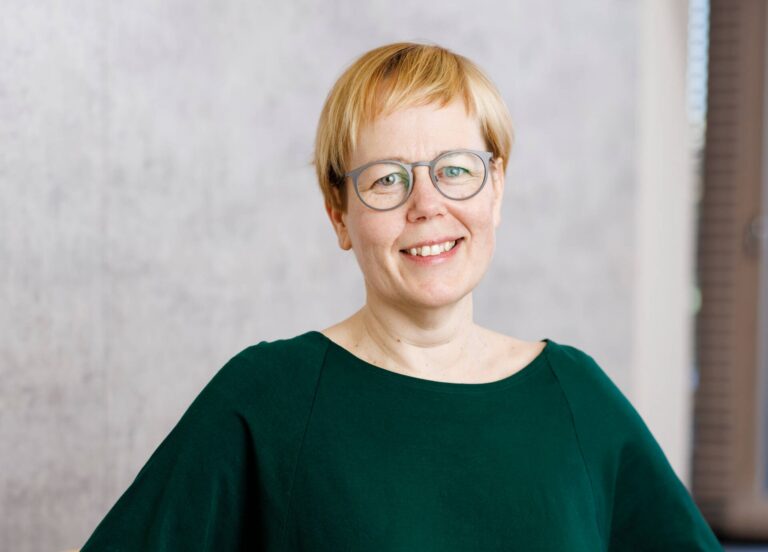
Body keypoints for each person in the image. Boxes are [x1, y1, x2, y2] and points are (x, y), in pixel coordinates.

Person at [80, 41, 723, 551]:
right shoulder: (268, 397)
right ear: (339, 214)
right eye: (387, 179)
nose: (427, 204)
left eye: (456, 170)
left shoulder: (576, 396)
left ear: (496, 189)